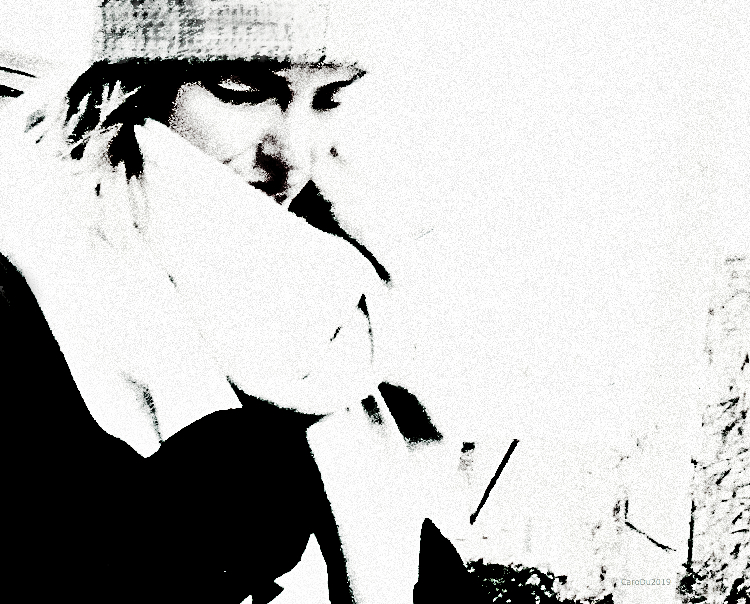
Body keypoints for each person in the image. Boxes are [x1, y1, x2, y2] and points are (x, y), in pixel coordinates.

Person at [0, 1, 482, 602]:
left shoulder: (325, 329)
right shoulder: (25, 297)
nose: (294, 157)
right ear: (129, 96)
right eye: (244, 91)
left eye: (327, 99)